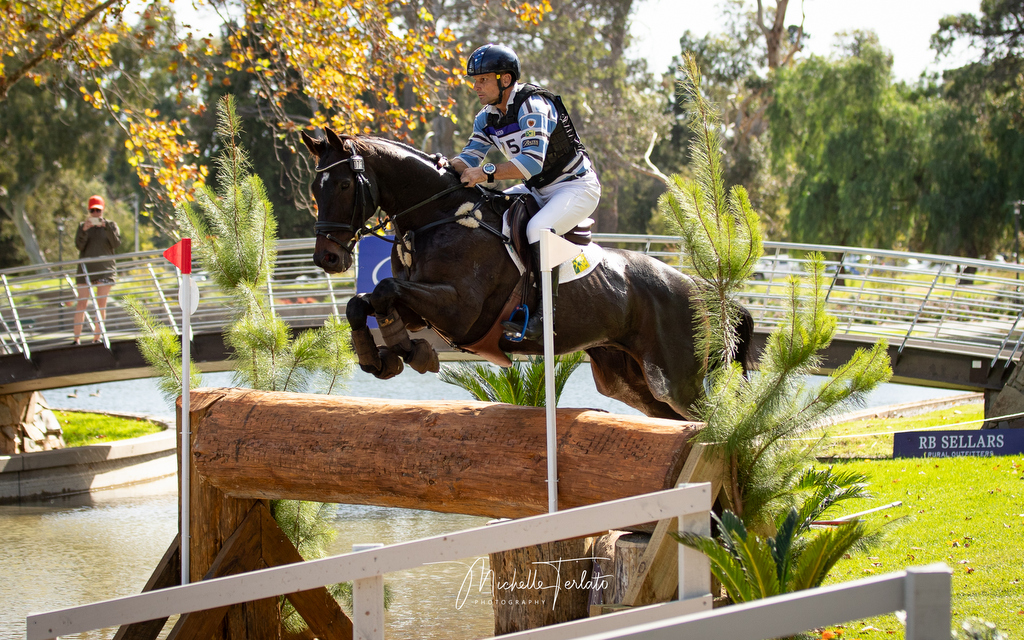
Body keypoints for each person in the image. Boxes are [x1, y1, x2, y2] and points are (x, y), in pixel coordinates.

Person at [450, 43, 601, 341]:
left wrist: (486, 173)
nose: (476, 87)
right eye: (474, 81)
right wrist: (438, 166)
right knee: (489, 210)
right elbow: (468, 159)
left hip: (575, 186)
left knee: (537, 229)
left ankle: (545, 318)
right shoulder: (486, 117)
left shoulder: (535, 106)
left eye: (482, 80)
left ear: (505, 80)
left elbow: (531, 164)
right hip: (538, 189)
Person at [72, 195, 120, 345]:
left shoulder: (111, 225)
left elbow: (116, 243)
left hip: (105, 269)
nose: (95, 214)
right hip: (85, 270)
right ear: (89, 211)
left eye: (98, 210)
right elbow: (79, 246)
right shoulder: (82, 226)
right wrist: (85, 230)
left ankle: (97, 338)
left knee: (101, 304)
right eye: (92, 211)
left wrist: (106, 227)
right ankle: (76, 339)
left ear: (102, 210)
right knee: (82, 304)